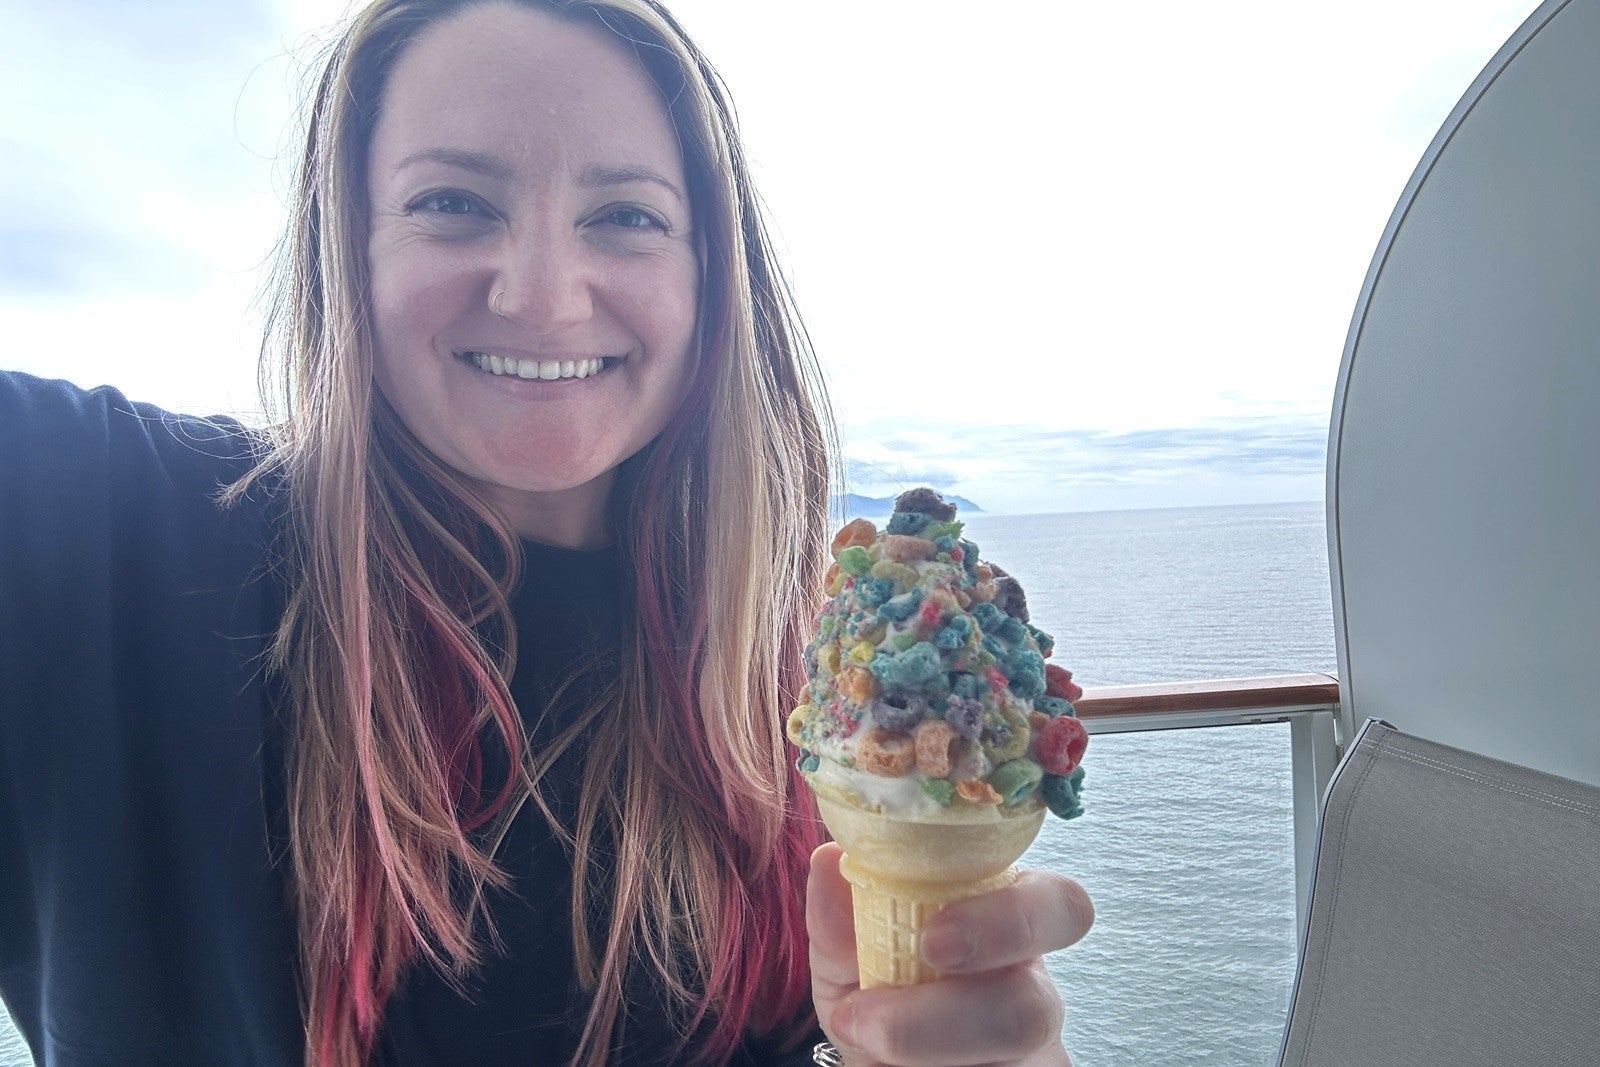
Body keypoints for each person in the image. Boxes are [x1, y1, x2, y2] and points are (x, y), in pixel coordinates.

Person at [0, 1, 1094, 1064]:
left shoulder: (807, 687)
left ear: (711, 275)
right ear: (350, 249)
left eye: (625, 216)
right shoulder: (97, 522)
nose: (543, 297)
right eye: (451, 202)